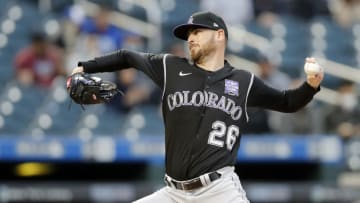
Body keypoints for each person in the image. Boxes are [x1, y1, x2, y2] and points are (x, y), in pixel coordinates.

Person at [71, 11, 323, 203]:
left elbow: (288, 102)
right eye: (188, 35)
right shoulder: (170, 67)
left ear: (219, 35)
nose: (190, 38)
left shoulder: (242, 81)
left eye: (197, 32)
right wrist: (85, 66)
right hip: (172, 193)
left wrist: (311, 85)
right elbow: (128, 56)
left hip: (219, 191)